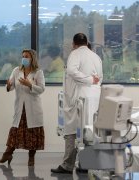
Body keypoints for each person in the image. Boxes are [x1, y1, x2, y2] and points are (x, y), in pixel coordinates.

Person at [51, 33, 103, 174]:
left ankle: (68, 165)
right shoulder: (96, 57)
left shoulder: (75, 54)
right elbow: (100, 78)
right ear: (87, 42)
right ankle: (85, 164)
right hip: (94, 98)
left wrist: (88, 80)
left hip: (78, 97)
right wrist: (92, 81)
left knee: (71, 131)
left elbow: (73, 71)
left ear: (74, 44)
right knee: (88, 132)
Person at [0, 49, 45, 166]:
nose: (24, 59)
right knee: (15, 132)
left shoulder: (38, 72)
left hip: (32, 108)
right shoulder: (17, 70)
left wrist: (30, 85)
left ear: (32, 58)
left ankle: (31, 158)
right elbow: (11, 85)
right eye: (23, 56)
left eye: (26, 56)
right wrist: (8, 85)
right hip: (20, 108)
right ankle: (7, 154)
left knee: (32, 133)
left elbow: (42, 89)